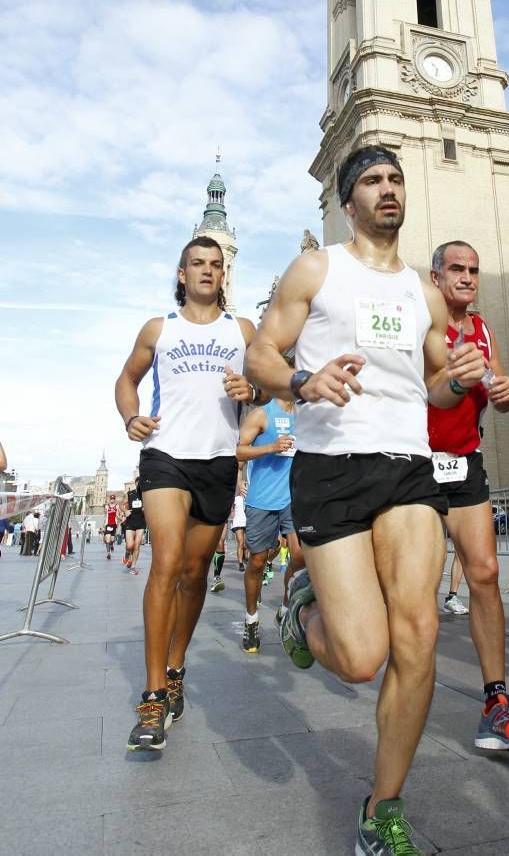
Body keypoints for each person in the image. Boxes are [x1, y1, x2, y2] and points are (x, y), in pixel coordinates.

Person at [245, 145, 488, 856]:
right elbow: (261, 354)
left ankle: (383, 807)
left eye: (395, 179)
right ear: (347, 201)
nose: (387, 189)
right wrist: (301, 381)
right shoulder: (317, 268)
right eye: (372, 181)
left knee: (417, 635)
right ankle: (304, 607)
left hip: (410, 467)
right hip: (330, 468)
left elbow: (438, 384)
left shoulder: (426, 291)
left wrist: (465, 377)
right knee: (358, 658)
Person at [115, 235, 263, 752]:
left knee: (196, 572)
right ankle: (153, 693)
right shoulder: (160, 328)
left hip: (219, 461)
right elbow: (126, 379)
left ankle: (176, 666)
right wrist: (132, 417)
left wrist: (254, 391)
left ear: (225, 275)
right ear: (181, 274)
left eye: (215, 265)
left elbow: (270, 382)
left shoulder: (243, 331)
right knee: (169, 561)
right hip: (166, 455)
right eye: (197, 264)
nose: (206, 271)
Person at [427, 240, 509, 752]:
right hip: (412, 466)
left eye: (474, 270)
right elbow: (432, 387)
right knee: (410, 585)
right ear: (436, 277)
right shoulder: (422, 326)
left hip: (464, 465)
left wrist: (507, 392)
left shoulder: (481, 329)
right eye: (457, 269)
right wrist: (458, 380)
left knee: (485, 572)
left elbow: (501, 391)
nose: (468, 277)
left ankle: (495, 702)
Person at [236, 374, 301, 653]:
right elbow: (239, 451)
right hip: (262, 500)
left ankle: (286, 608)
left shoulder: (305, 415)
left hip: (293, 497)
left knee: (299, 556)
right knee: (258, 561)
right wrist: (272, 447)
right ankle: (251, 619)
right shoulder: (262, 415)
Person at [123, 478, 147, 574]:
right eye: (138, 483)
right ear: (136, 484)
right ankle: (127, 553)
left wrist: (146, 508)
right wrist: (125, 511)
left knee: (137, 546)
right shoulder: (130, 494)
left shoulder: (146, 495)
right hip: (130, 522)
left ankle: (133, 567)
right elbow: (121, 504)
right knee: (130, 546)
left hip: (141, 522)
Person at [230, 481, 248, 571]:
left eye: (246, 486)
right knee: (240, 542)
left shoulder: (248, 499)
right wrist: (232, 514)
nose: (244, 488)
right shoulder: (236, 499)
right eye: (243, 486)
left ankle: (246, 558)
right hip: (237, 522)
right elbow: (231, 509)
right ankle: (240, 563)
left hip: (246, 523)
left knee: (246, 544)